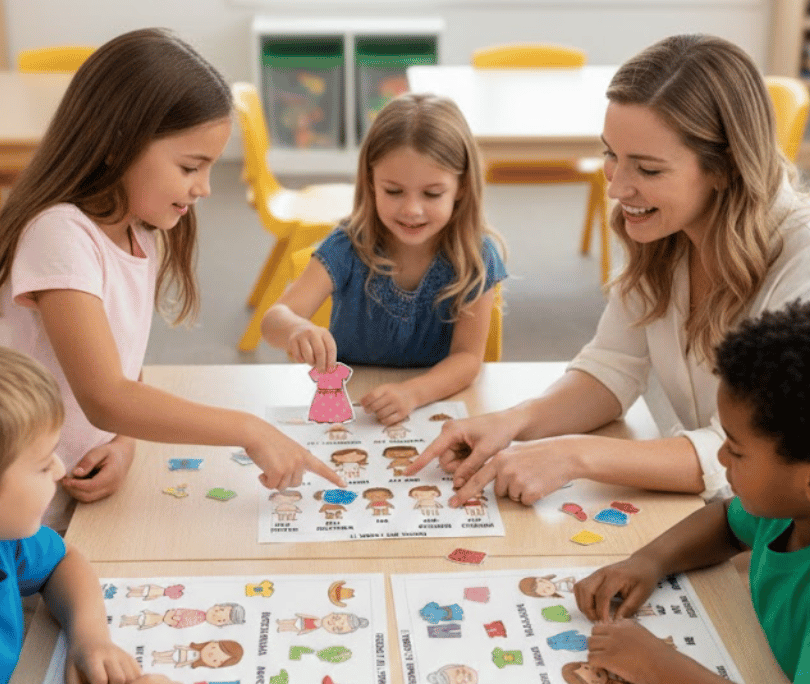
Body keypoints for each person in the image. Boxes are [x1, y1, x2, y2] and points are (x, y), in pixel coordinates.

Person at [408, 33, 810, 506]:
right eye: (611, 155)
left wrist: (573, 455)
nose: (617, 188)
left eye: (648, 169)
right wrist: (514, 421)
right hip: (723, 510)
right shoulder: (665, 226)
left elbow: (744, 455)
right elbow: (613, 366)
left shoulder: (800, 260)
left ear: (725, 168)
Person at [0, 28, 342, 531]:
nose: (205, 188)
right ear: (118, 144)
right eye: (190, 167)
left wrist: (123, 443)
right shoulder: (60, 236)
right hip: (21, 513)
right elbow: (106, 395)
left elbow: (121, 368)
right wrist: (248, 429)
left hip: (70, 495)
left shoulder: (140, 230)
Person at [573, 300, 810, 684]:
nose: (720, 456)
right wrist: (648, 561)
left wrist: (655, 665)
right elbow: (727, 523)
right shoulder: (785, 511)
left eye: (736, 451)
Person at [261, 93, 506, 425]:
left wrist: (412, 393)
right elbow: (273, 320)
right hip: (352, 406)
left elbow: (467, 359)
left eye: (432, 193)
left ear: (461, 187)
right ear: (371, 182)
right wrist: (296, 328)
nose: (412, 209)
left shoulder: (475, 257)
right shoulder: (348, 246)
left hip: (432, 405)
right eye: (393, 191)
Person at [0, 344, 177, 684]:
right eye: (43, 465)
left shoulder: (8, 539)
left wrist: (90, 637)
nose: (59, 469)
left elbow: (61, 563)